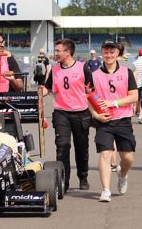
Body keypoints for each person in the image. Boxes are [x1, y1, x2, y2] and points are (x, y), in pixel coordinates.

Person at [89, 39, 138, 203]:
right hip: (104, 121)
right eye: (106, 52)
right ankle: (105, 190)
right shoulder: (94, 75)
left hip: (123, 120)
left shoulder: (126, 72)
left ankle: (122, 175)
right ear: (101, 53)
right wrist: (96, 115)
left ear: (118, 54)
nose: (109, 55)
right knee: (105, 153)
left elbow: (134, 96)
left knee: (128, 158)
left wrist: (114, 103)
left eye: (112, 52)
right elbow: (88, 98)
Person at [42, 38, 93, 193]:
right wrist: (39, 93)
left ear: (68, 52)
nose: (55, 53)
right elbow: (47, 88)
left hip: (81, 113)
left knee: (81, 147)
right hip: (61, 113)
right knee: (62, 146)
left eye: (58, 51)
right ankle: (64, 180)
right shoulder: (55, 69)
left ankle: (83, 176)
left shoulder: (83, 67)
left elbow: (91, 91)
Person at [133, 48, 142, 124]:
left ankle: (136, 111)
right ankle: (141, 116)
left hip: (136, 84)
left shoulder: (134, 62)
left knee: (137, 99)